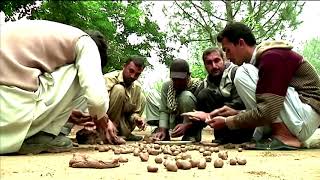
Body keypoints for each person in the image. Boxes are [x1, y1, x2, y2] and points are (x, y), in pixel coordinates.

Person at [190, 22, 320, 149]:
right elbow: (268, 107)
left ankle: (284, 136)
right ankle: (279, 134)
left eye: (227, 50)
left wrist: (227, 122)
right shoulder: (260, 61)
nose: (228, 57)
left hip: (304, 117)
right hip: (299, 118)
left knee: (243, 72)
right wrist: (237, 112)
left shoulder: (271, 57)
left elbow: (268, 111)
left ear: (240, 43)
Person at [0, 20, 122, 154]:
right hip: (10, 116)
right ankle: (41, 136)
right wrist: (101, 119)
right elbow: (97, 101)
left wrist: (66, 114)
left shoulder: (50, 34)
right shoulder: (86, 43)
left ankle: (38, 131)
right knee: (83, 74)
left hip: (5, 118)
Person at [183, 47, 253, 144]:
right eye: (209, 63)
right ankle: (197, 135)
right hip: (222, 131)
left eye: (217, 61)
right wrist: (187, 125)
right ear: (205, 65)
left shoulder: (236, 74)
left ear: (223, 60)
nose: (214, 66)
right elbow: (199, 112)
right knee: (204, 94)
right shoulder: (204, 84)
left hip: (244, 122)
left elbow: (238, 104)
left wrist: (209, 115)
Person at [146, 59, 201, 141]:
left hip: (192, 122)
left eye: (181, 79)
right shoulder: (167, 86)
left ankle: (191, 134)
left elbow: (201, 114)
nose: (177, 82)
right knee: (152, 95)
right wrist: (162, 130)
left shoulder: (198, 86)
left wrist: (187, 125)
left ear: (188, 75)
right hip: (173, 118)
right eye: (174, 79)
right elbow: (164, 110)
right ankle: (162, 133)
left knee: (185, 96)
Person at [103, 56, 147, 141]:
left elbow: (133, 114)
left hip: (123, 123)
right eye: (131, 71)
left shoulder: (137, 87)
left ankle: (125, 134)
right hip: (105, 121)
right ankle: (107, 133)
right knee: (119, 89)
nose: (133, 76)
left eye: (137, 74)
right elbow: (98, 107)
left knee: (142, 98)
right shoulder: (108, 79)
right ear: (124, 67)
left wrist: (137, 119)